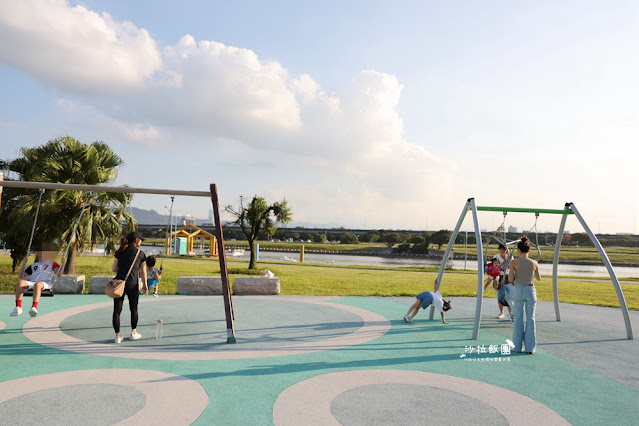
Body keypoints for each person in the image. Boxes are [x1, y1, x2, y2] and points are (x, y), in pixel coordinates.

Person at [111, 231, 147, 343]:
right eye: (140, 240)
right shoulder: (140, 254)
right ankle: (133, 332)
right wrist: (145, 285)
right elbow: (143, 272)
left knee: (117, 310)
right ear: (136, 240)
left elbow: (113, 268)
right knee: (134, 308)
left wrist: (122, 271)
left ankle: (117, 336)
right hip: (132, 284)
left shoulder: (120, 251)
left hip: (119, 283)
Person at [508, 236, 541, 354]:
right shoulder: (534, 263)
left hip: (518, 289)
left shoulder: (514, 262)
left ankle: (517, 347)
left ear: (518, 250)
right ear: (529, 250)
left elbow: (510, 278)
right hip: (530, 289)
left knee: (518, 318)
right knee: (531, 319)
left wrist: (516, 276)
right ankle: (530, 348)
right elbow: (538, 278)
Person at [9, 243, 60, 317]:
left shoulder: (52, 263)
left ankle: (34, 307)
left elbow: (59, 274)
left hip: (44, 283)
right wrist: (24, 263)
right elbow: (21, 275)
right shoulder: (34, 265)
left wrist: (63, 263)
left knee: (38, 284)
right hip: (33, 282)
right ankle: (18, 307)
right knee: (20, 283)